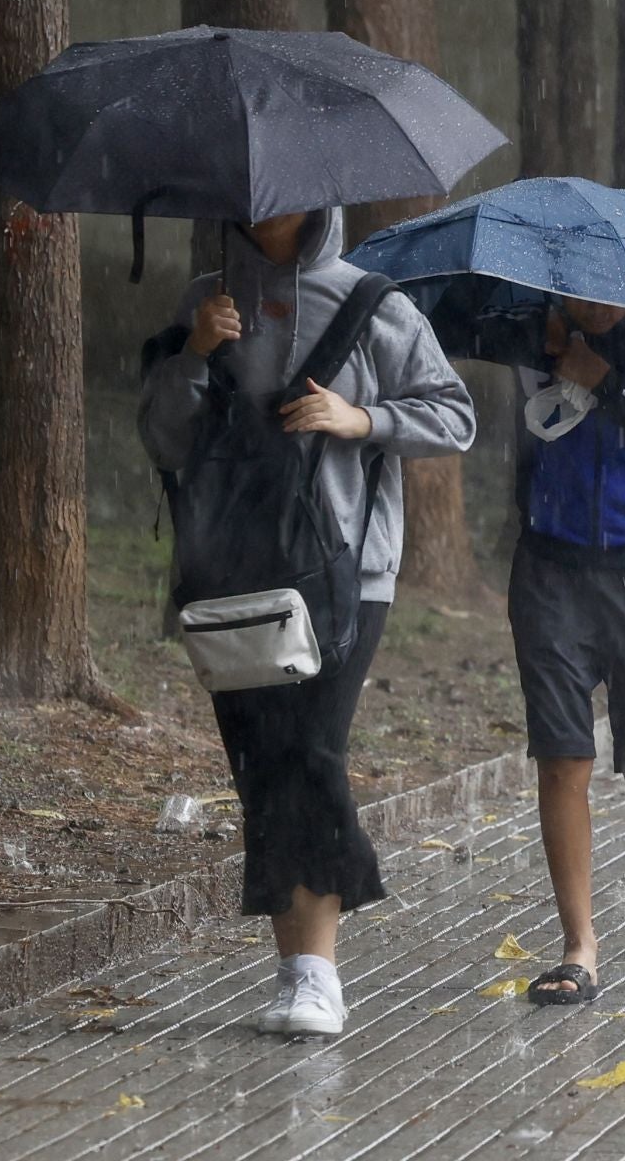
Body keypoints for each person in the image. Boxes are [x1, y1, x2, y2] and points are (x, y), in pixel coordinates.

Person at [139, 208, 476, 1038]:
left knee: (311, 752)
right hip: (230, 574)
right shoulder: (204, 302)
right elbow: (162, 438)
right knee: (260, 766)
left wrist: (360, 420)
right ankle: (296, 973)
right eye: (245, 192)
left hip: (345, 575)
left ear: (317, 196)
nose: (262, 205)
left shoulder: (372, 303)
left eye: (281, 192)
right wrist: (193, 356)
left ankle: (317, 976)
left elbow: (455, 414)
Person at [441, 292, 625, 1004]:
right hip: (549, 571)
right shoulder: (535, 329)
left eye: (608, 291)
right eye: (580, 289)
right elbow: (447, 321)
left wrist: (602, 380)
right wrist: (540, 335)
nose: (596, 302)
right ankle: (578, 947)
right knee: (563, 759)